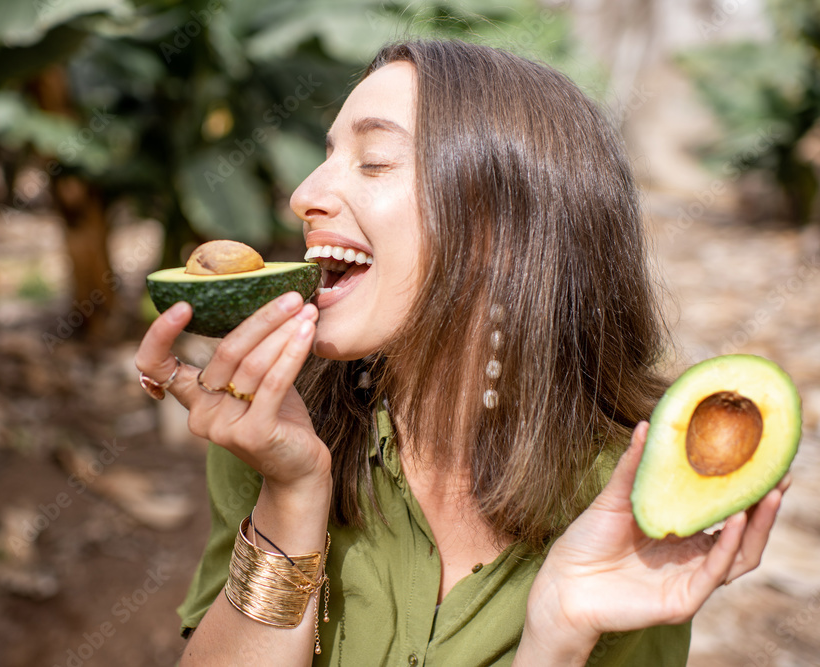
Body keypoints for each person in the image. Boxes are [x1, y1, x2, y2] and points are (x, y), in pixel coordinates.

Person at [135, 39, 789, 666]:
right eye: (326, 154)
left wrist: (557, 636)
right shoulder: (273, 430)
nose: (303, 194)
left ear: (503, 227)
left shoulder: (634, 491)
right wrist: (291, 497)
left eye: (374, 161)